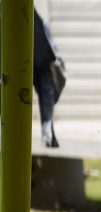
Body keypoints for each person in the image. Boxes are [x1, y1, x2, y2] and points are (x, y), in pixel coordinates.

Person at [33, 7, 66, 148]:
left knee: (46, 90)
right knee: (46, 90)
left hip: (39, 55)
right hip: (37, 56)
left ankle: (48, 131)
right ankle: (48, 131)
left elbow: (43, 28)